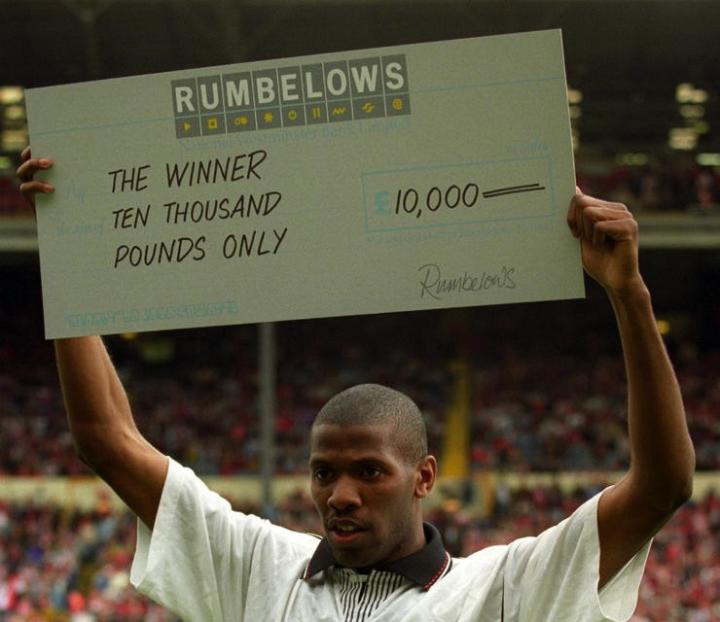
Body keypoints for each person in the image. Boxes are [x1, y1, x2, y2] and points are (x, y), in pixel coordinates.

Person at [17, 146, 695, 621]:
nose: (339, 495)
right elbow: (105, 438)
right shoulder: (257, 567)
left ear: (423, 477)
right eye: (324, 473)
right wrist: (68, 255)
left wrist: (629, 294)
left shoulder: (501, 589)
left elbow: (662, 486)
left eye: (369, 471)